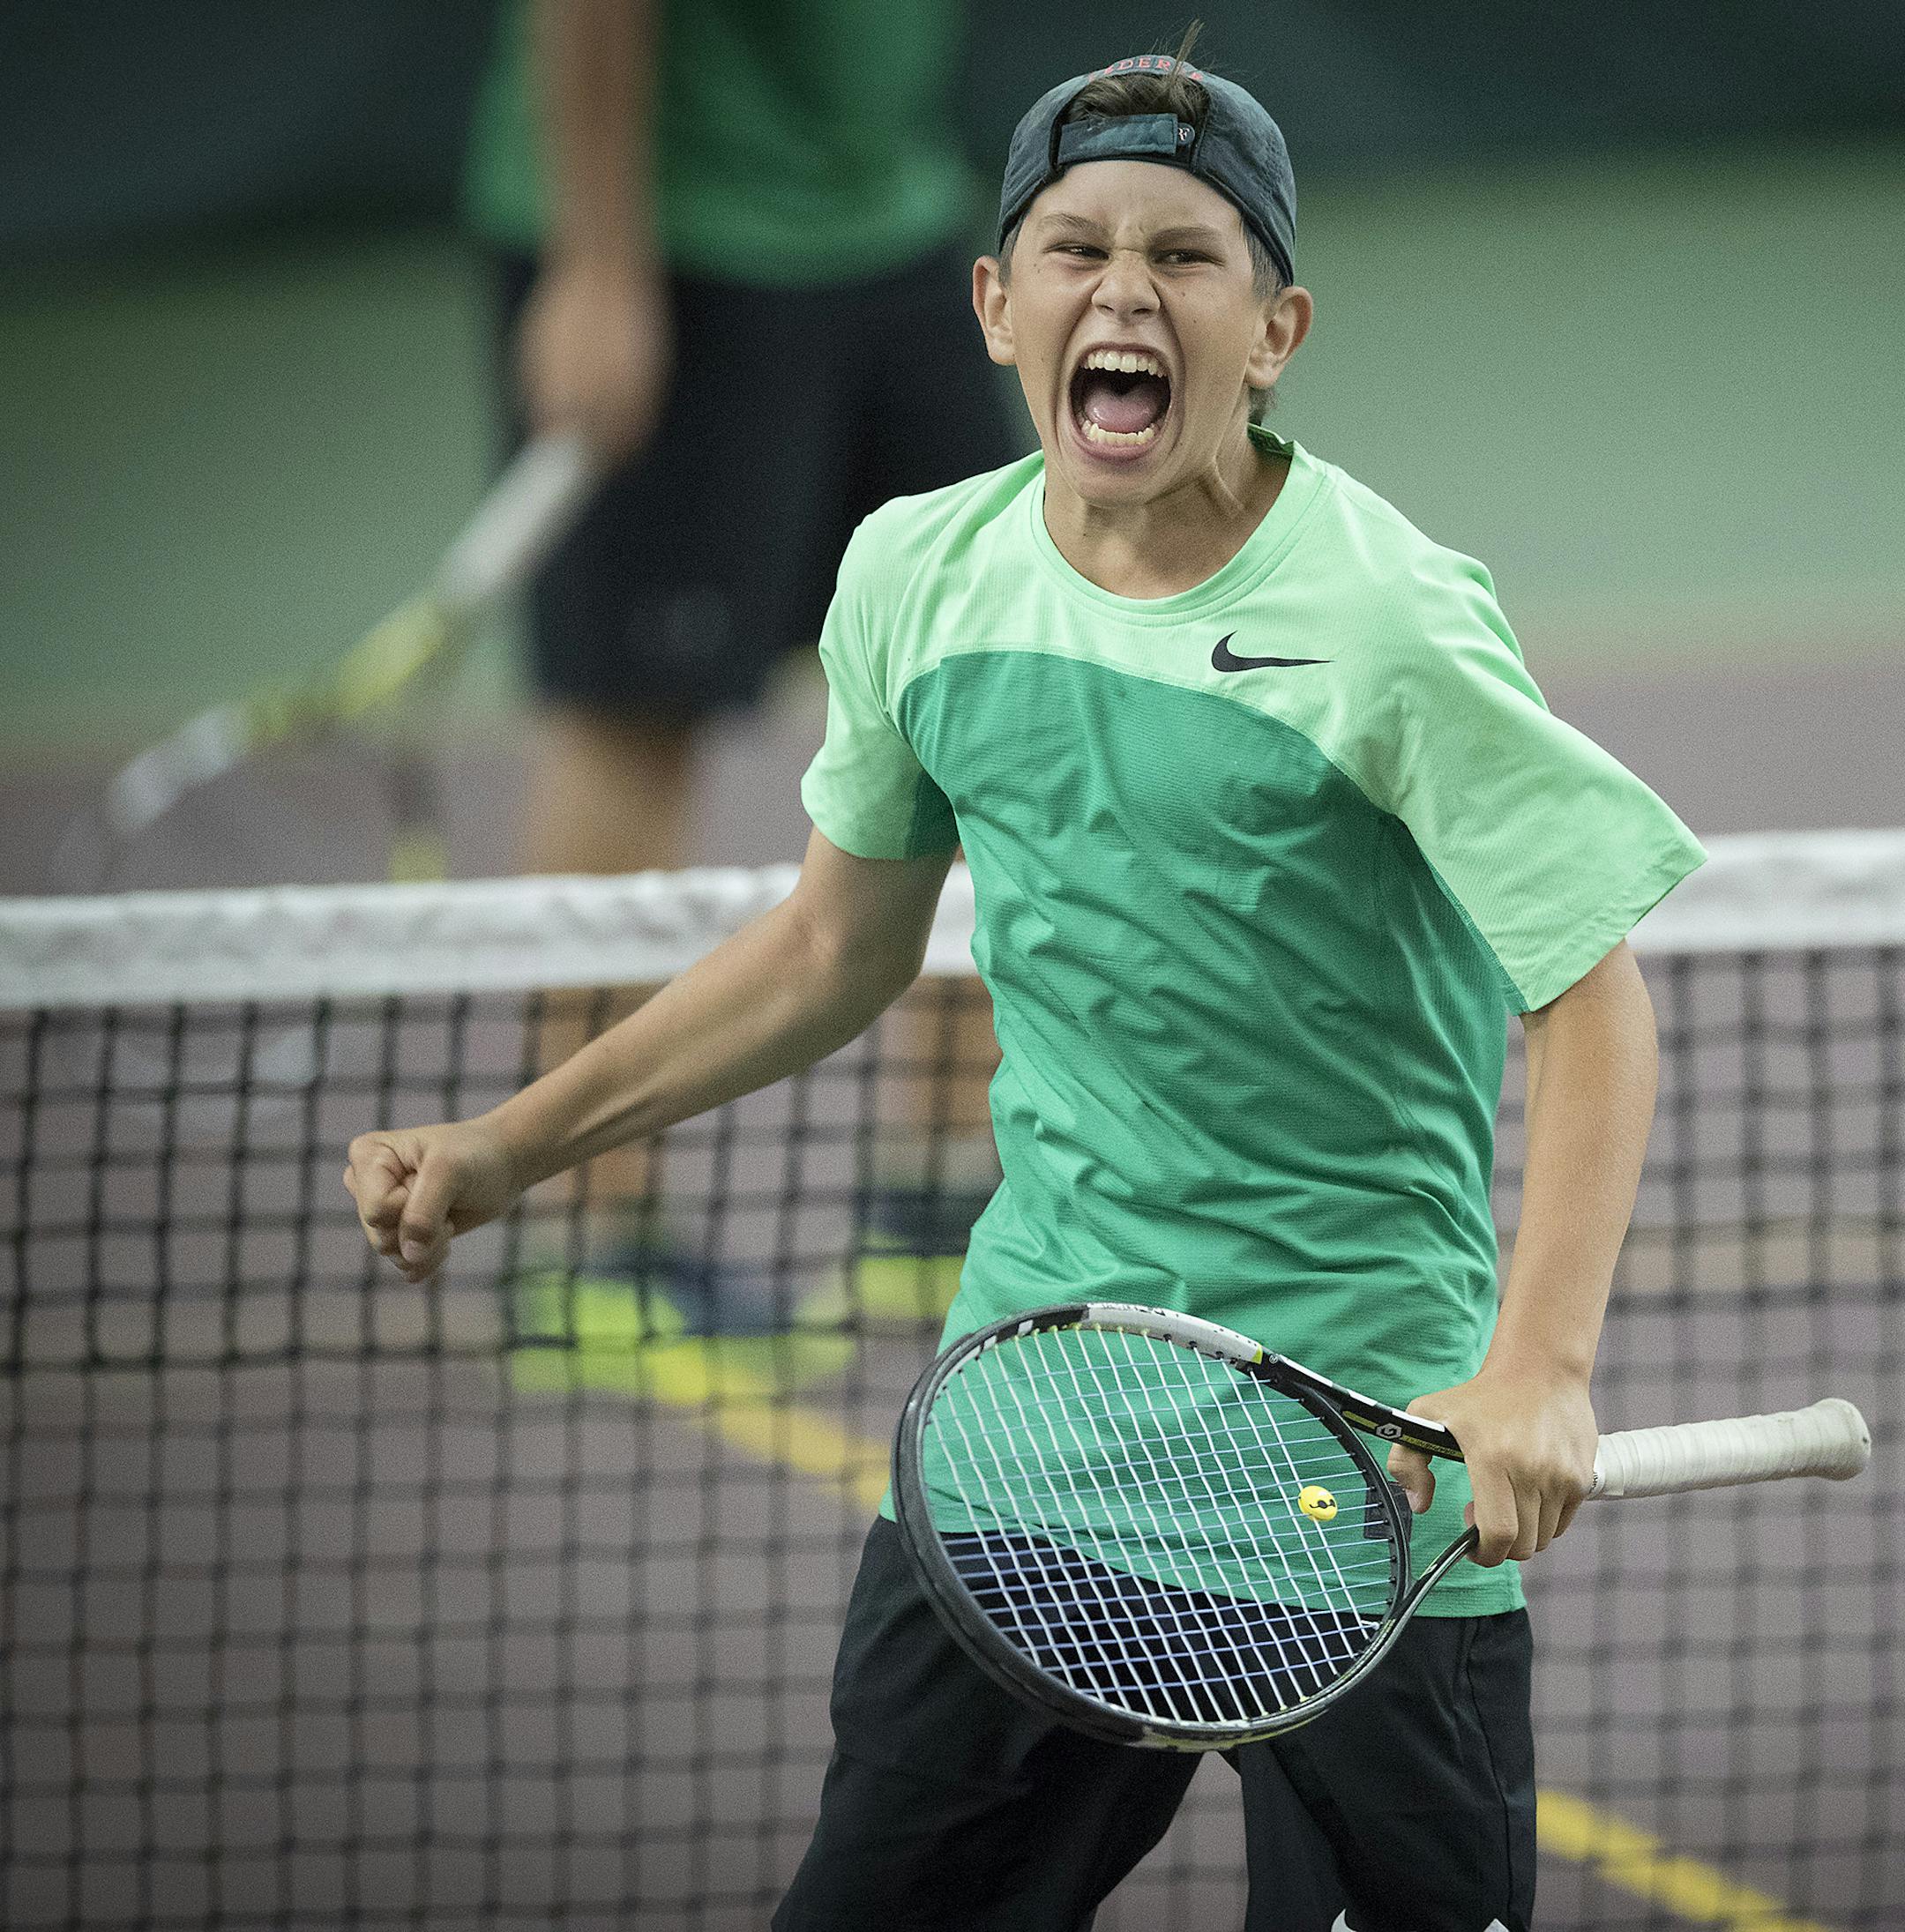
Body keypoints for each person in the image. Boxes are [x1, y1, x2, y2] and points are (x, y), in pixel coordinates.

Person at [353, 34, 1705, 1930]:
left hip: (1363, 1482)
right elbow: (830, 949)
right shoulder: (919, 573)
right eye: (1072, 250)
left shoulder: (1387, 623)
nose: (1123, 292)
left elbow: (1592, 993)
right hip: (1029, 1450)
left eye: (1186, 256)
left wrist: (1539, 1368)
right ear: (996, 306)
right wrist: (515, 1148)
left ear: (1278, 328)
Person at [465, 0, 1012, 1329]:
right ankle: (585, 1251)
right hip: (676, 236)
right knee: (634, 721)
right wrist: (599, 261)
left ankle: (942, 1202)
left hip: (888, 218)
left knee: (983, 680)